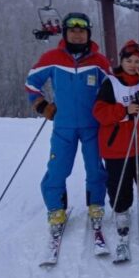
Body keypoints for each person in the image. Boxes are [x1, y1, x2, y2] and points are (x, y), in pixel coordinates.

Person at [25, 12, 111, 235]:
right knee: (58, 168)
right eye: (72, 31)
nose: (77, 35)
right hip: (63, 125)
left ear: (88, 34)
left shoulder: (99, 61)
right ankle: (56, 209)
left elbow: (111, 90)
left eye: (81, 31)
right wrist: (42, 105)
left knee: (95, 168)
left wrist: (109, 111)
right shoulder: (52, 57)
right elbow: (31, 83)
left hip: (92, 125)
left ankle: (96, 205)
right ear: (65, 33)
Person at [92, 40, 139, 254]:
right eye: (129, 61)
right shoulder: (111, 83)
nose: (134, 65)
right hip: (118, 146)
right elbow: (99, 113)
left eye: (138, 61)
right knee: (118, 182)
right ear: (121, 61)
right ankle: (122, 211)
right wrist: (124, 110)